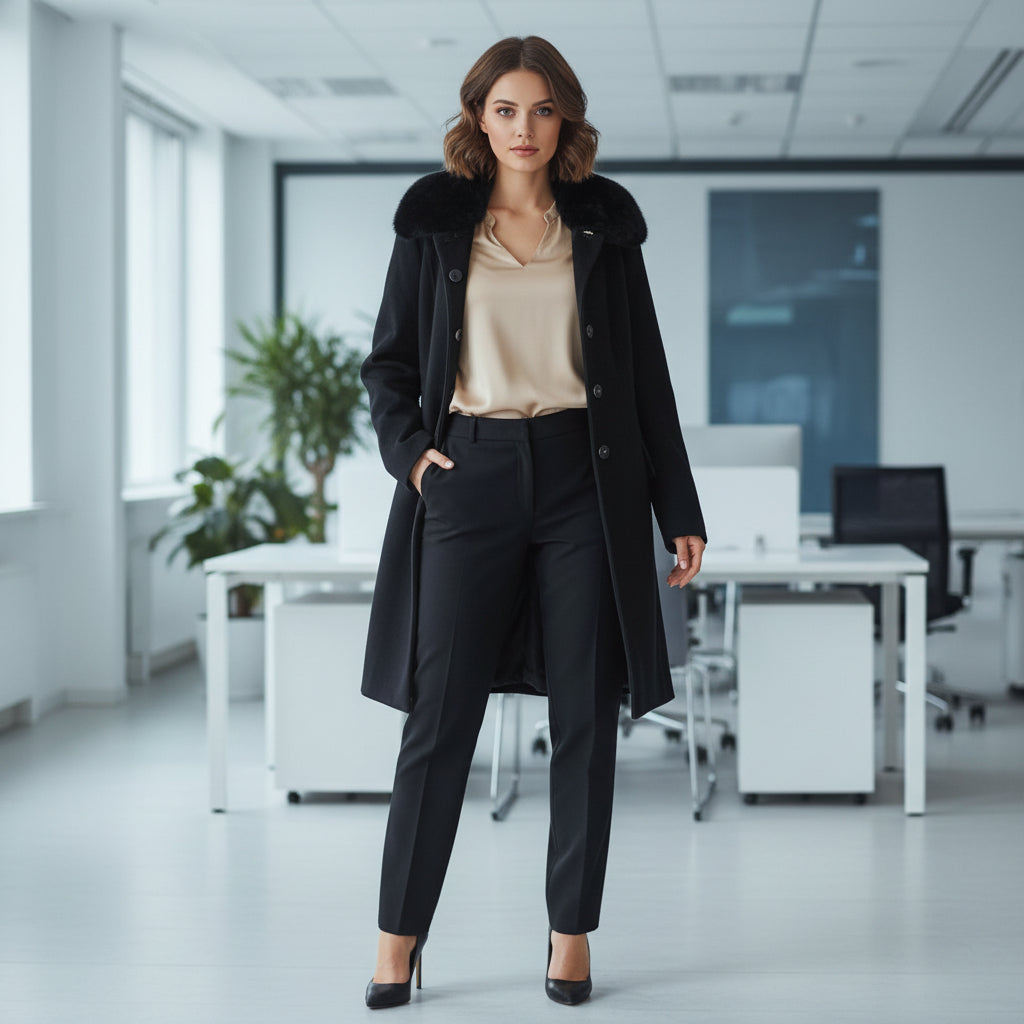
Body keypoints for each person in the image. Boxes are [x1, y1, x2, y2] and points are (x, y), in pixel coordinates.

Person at [360, 35, 706, 1009]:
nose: (524, 128)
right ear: (479, 117)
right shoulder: (435, 224)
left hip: (581, 481)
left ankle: (569, 934)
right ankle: (397, 937)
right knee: (440, 718)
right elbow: (389, 364)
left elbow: (644, 376)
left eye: (542, 109)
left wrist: (677, 505)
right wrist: (413, 457)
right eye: (506, 109)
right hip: (466, 476)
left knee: (584, 716)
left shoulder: (602, 226)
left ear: (566, 120)